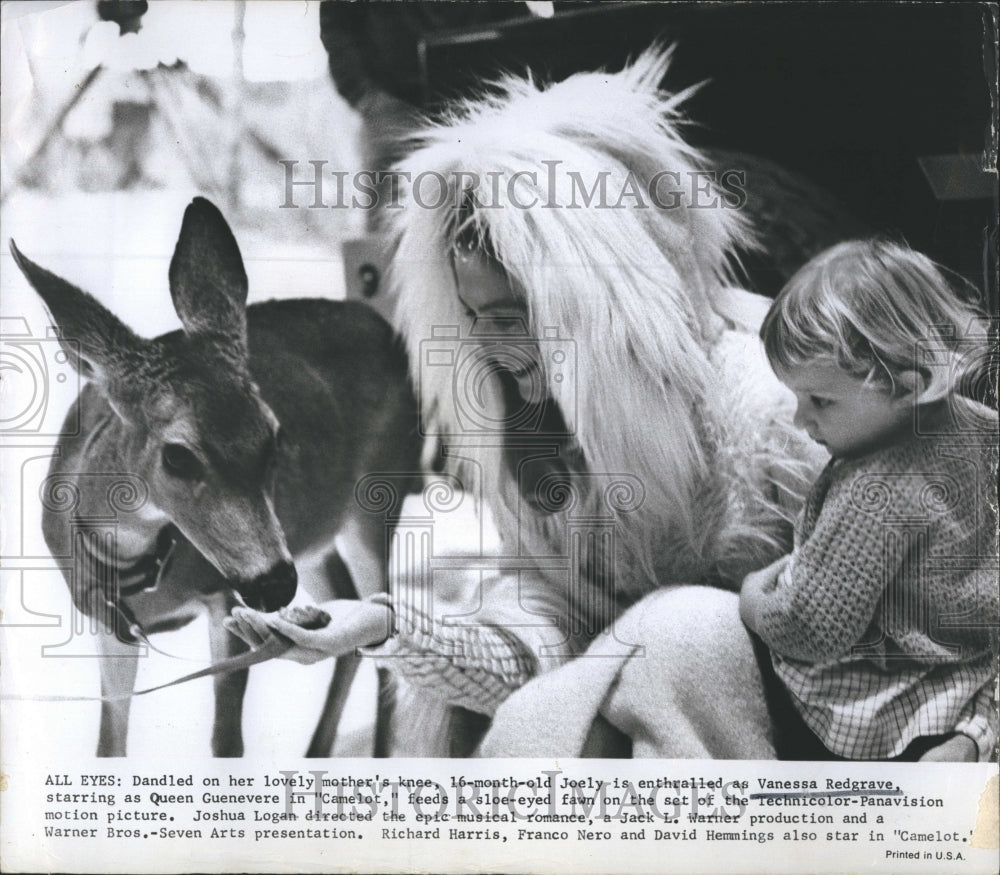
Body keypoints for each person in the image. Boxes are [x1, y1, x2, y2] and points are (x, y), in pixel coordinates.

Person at [228, 48, 827, 757]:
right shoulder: (526, 432)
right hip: (631, 732)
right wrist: (384, 627)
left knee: (683, 629)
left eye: (514, 314)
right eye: (475, 315)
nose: (490, 344)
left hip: (774, 752)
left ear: (599, 302)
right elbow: (547, 627)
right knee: (451, 703)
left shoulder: (769, 413)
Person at [738, 239, 998, 761]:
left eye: (821, 401)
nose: (800, 420)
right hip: (971, 655)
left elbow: (812, 628)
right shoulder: (984, 426)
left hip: (889, 686)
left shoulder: (871, 493)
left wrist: (752, 596)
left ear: (910, 385)